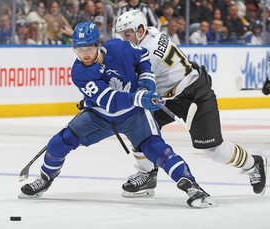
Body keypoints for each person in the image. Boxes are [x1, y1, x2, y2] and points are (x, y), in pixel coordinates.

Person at [19, 21, 215, 208]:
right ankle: (44, 179)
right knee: (58, 143)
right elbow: (111, 102)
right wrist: (139, 98)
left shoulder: (119, 48)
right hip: (100, 116)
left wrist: (146, 81)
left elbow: (143, 57)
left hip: (134, 116)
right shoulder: (79, 72)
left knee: (157, 150)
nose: (84, 55)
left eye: (88, 49)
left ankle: (192, 187)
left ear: (99, 44)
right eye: (79, 50)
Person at [115, 9, 267, 198]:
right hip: (170, 97)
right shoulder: (151, 32)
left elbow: (132, 85)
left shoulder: (148, 54)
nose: (123, 39)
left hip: (195, 94)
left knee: (215, 150)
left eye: (126, 34)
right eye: (121, 34)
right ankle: (147, 174)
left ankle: (254, 163)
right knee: (137, 125)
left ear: (139, 30)